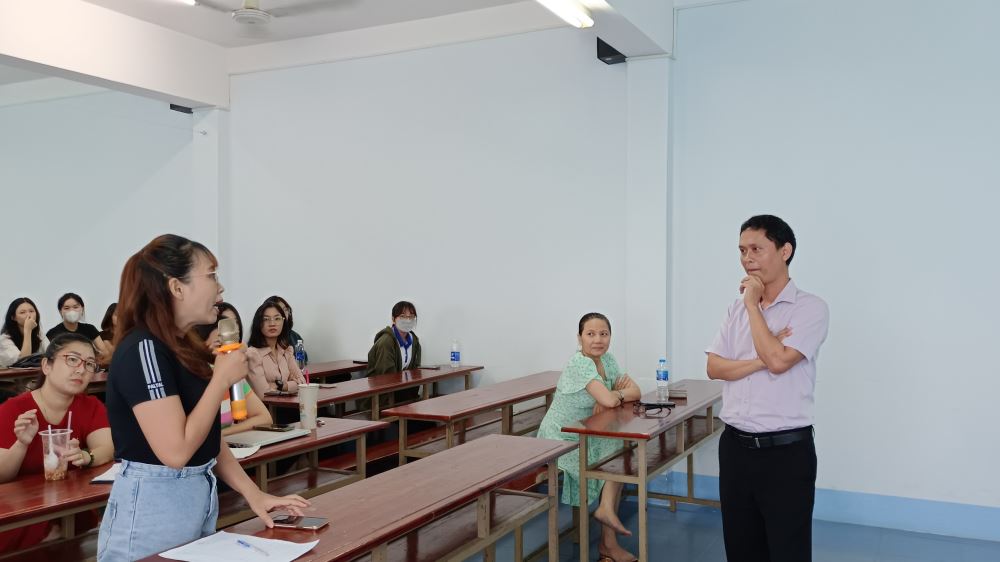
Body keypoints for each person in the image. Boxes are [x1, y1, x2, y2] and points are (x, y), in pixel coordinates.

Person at [98, 234, 308, 561]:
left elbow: (207, 437)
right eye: (211, 276)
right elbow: (176, 451)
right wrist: (221, 379)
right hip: (153, 507)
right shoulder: (144, 349)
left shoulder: (182, 348)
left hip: (195, 496)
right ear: (176, 287)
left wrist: (254, 494)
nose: (220, 288)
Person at [706, 215, 829, 562]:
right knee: (741, 549)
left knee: (788, 551)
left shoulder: (810, 308)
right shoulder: (735, 310)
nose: (747, 259)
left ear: (785, 251)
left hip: (785, 454)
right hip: (735, 449)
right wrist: (760, 358)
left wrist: (753, 306)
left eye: (756, 249)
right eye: (742, 251)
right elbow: (714, 367)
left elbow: (778, 361)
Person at [535, 313, 642, 562]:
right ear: (579, 338)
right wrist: (612, 396)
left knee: (621, 448)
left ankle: (607, 529)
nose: (598, 340)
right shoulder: (579, 364)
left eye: (604, 334)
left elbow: (636, 391)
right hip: (560, 438)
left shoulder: (608, 360)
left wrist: (614, 395)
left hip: (586, 431)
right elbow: (609, 399)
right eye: (590, 334)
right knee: (616, 451)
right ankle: (608, 539)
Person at [0, 333, 114, 551]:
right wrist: (21, 444)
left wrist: (86, 456)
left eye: (89, 364)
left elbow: (107, 448)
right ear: (46, 366)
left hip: (70, 510)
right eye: (72, 359)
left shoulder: (90, 406)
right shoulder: (13, 410)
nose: (81, 369)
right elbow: (2, 475)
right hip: (20, 516)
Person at [195, 302, 272, 435]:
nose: (225, 352)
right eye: (218, 345)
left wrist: (221, 435)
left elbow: (265, 418)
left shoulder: (234, 375)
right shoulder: (192, 376)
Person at [245, 299, 307, 398]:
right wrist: (292, 386)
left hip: (288, 404)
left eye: (277, 318)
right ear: (258, 323)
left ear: (283, 322)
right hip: (266, 407)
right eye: (266, 319)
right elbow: (264, 394)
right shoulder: (253, 354)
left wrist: (283, 386)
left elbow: (302, 383)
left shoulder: (286, 350)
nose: (272, 323)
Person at [364, 301, 422, 407]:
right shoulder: (386, 342)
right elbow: (386, 376)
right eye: (403, 316)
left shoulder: (414, 340)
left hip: (403, 392)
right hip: (382, 396)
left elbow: (415, 369)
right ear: (393, 319)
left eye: (411, 317)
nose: (407, 320)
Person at [0, 298, 48, 368]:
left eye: (31, 311)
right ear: (13, 317)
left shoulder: (39, 334)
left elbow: (51, 354)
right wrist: (28, 331)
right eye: (22, 312)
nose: (29, 315)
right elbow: (24, 363)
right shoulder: (4, 339)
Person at [266, 295, 307, 365]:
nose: (284, 313)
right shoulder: (260, 338)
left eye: (285, 309)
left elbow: (302, 361)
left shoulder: (295, 336)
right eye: (279, 310)